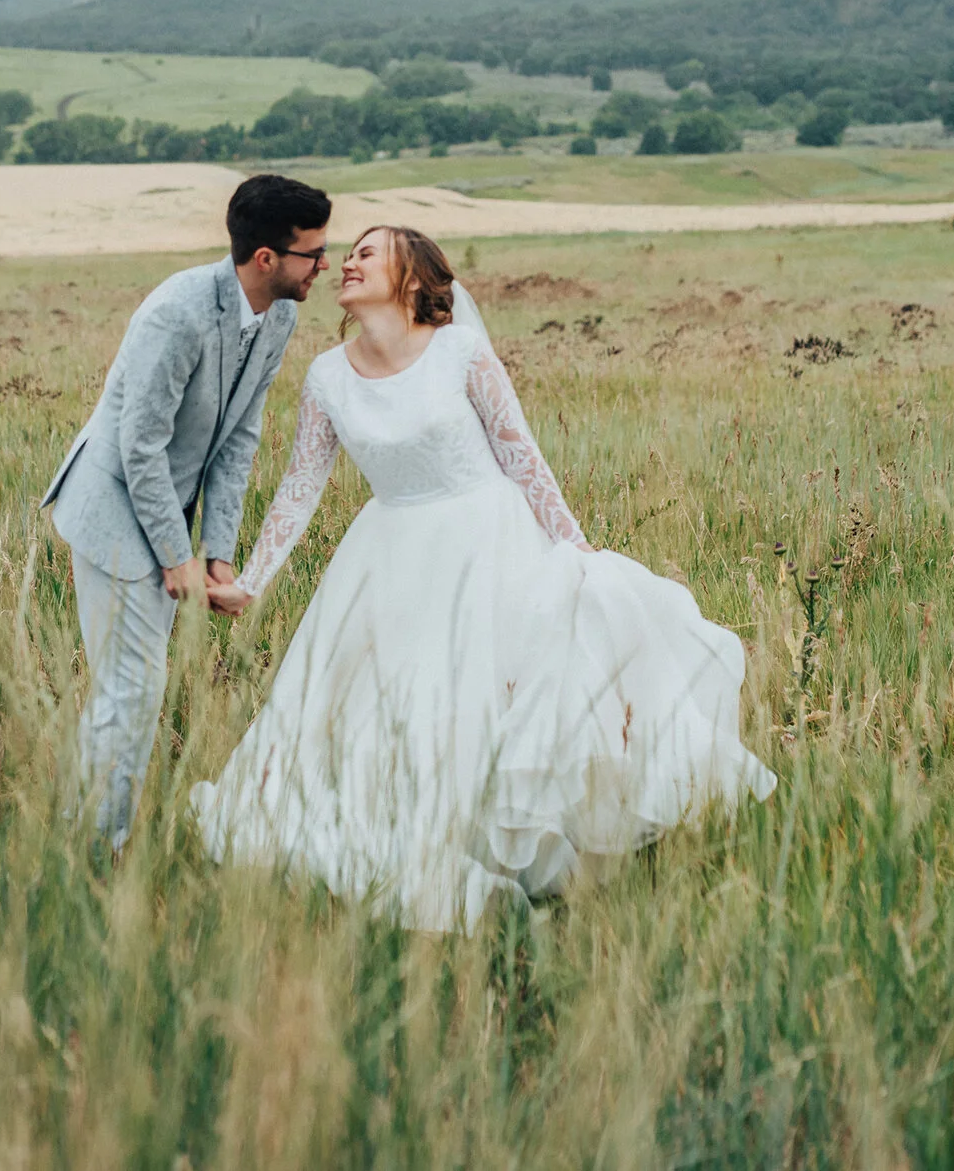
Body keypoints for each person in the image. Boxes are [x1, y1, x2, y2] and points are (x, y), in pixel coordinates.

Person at [193, 226, 776, 931]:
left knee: (499, 691)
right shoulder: (327, 376)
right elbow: (298, 489)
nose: (346, 261)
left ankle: (532, 842)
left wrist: (575, 549)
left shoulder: (460, 352)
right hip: (388, 558)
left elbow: (520, 453)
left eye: (368, 252)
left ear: (413, 277)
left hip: (487, 538)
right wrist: (251, 579)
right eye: (346, 254)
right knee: (393, 710)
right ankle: (420, 839)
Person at [43, 173, 333, 848]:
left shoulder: (281, 313)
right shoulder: (177, 312)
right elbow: (140, 447)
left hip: (167, 513)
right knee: (133, 687)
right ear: (266, 258)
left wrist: (217, 554)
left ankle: (84, 831)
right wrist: (177, 558)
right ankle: (96, 848)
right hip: (113, 506)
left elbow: (239, 436)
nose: (326, 265)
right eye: (312, 253)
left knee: (134, 685)